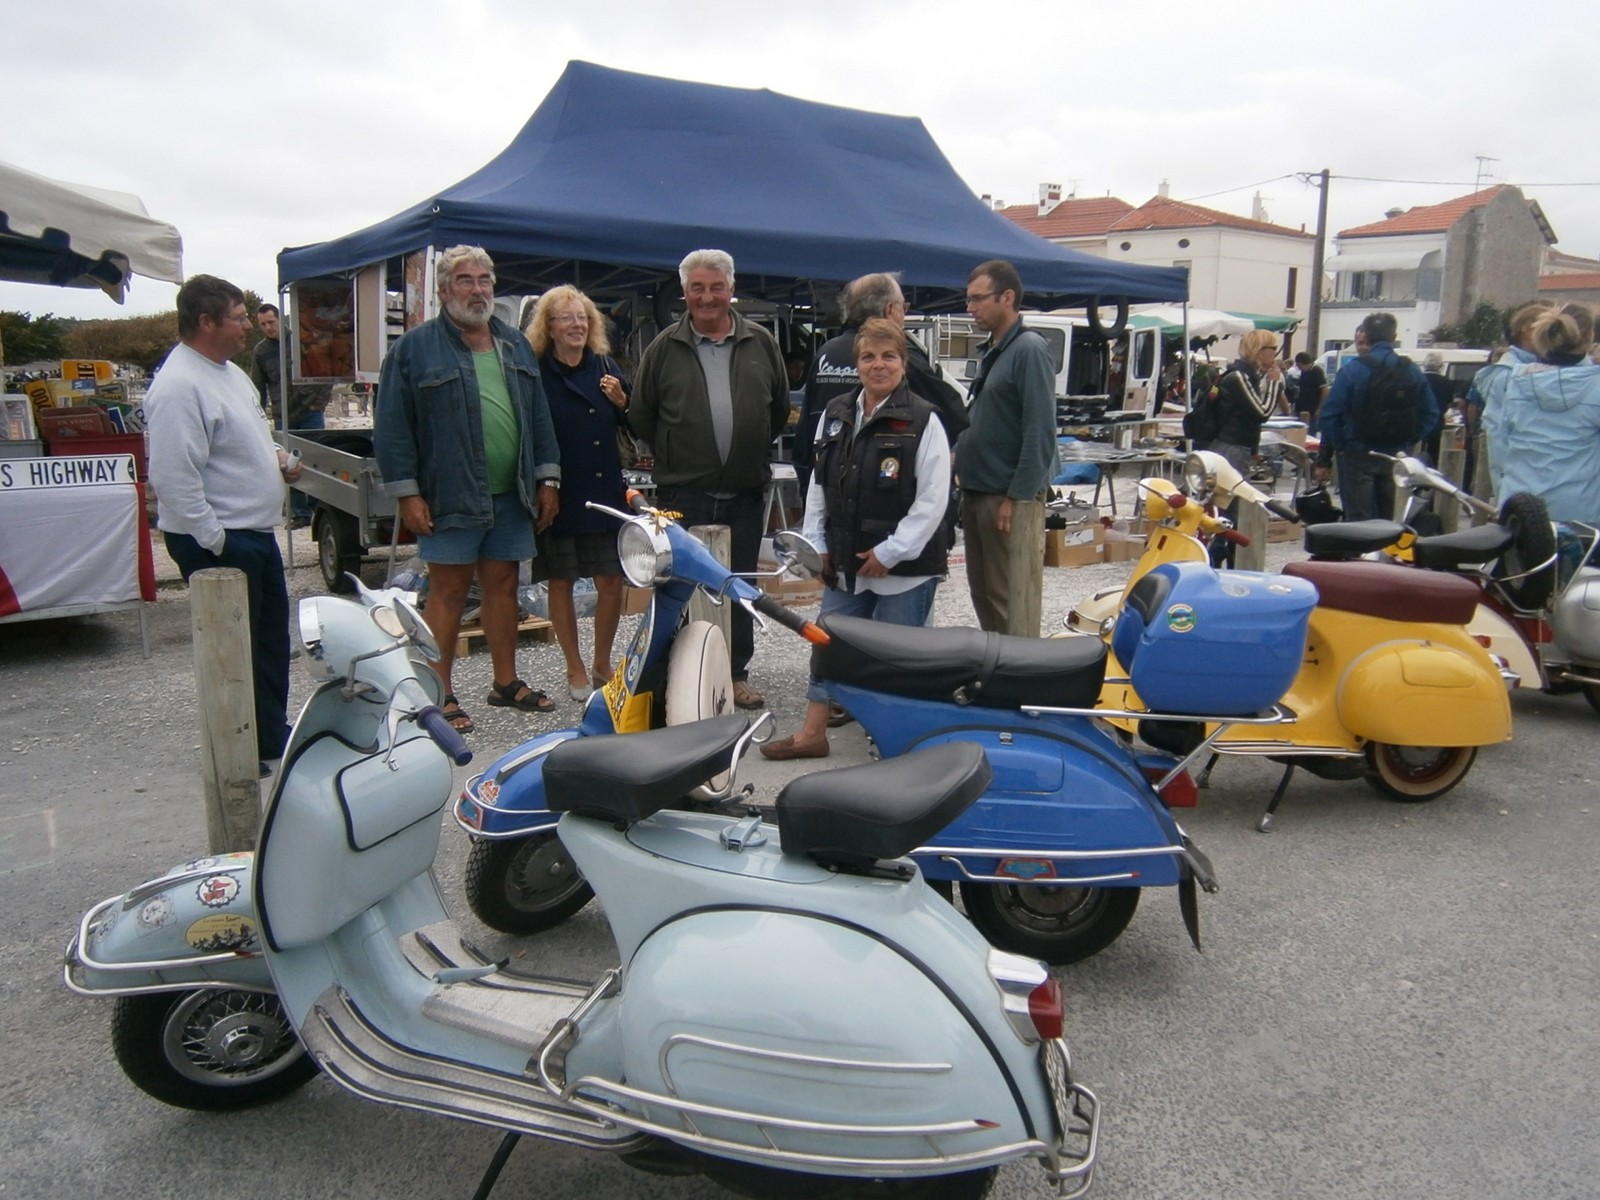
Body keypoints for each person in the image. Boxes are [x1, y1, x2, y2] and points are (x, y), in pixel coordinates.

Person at [375, 246, 563, 733]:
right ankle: (440, 696)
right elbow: (393, 428)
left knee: (503, 587)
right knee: (449, 592)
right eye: (465, 280)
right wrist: (407, 494)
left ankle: (506, 683)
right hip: (448, 494)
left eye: (484, 279)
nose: (477, 289)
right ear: (443, 290)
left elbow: (539, 417)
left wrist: (548, 478)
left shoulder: (515, 345)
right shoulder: (413, 349)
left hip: (511, 493)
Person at [761, 319, 952, 761]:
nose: (877, 365)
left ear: (903, 364)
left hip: (904, 570)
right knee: (827, 646)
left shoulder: (924, 420)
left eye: (888, 356)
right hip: (844, 563)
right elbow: (818, 487)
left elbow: (933, 500)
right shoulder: (836, 413)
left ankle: (898, 747)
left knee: (900, 661)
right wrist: (817, 545)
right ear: (857, 363)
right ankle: (813, 733)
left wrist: (890, 552)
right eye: (868, 357)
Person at [146, 275, 302, 772]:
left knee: (270, 641)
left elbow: (248, 434)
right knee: (233, 653)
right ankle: (236, 749)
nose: (246, 326)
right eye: (237, 317)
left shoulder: (230, 374)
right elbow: (173, 476)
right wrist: (213, 539)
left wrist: (276, 456)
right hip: (219, 539)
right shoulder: (178, 386)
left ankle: (268, 736)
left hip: (252, 532)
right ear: (205, 322)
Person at [629, 249, 790, 710]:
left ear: (731, 290)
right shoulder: (664, 349)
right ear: (684, 293)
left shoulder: (761, 344)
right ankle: (676, 679)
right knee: (679, 588)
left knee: (737, 585)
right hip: (684, 493)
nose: (707, 297)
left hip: (744, 492)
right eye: (697, 287)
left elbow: (776, 410)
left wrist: (745, 445)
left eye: (716, 286)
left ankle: (735, 675)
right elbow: (641, 415)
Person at [523, 286, 631, 701]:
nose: (577, 325)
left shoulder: (604, 365)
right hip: (559, 491)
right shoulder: (536, 372)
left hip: (603, 488)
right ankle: (574, 667)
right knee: (561, 581)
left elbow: (633, 422)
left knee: (610, 580)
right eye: (566, 318)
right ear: (548, 327)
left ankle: (603, 662)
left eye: (583, 318)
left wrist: (622, 401)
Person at [796, 272, 968, 493]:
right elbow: (953, 417)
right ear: (889, 310)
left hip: (828, 492)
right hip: (888, 495)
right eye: (903, 308)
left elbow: (804, 438)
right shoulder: (901, 359)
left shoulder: (825, 353)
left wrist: (807, 491)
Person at [956, 259, 1057, 636]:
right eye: (968, 299)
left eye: (977, 299)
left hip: (1004, 497)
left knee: (1008, 598)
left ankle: (1017, 680)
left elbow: (1040, 431)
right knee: (984, 595)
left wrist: (1017, 497)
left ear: (1008, 297)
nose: (970, 308)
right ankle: (998, 675)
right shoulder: (994, 350)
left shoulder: (1028, 349)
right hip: (979, 492)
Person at [1313, 312, 1439, 523]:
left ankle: (1360, 554)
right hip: (1396, 454)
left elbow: (1329, 415)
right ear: (1394, 336)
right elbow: (1431, 412)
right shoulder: (1411, 370)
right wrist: (1409, 439)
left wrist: (1342, 446)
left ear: (1367, 335)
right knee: (1391, 519)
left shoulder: (1353, 370)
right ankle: (1385, 554)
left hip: (1357, 453)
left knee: (1359, 521)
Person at [1483, 302, 1600, 529]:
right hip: (1582, 508)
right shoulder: (1594, 385)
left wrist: (1503, 499)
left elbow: (1498, 447)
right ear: (1589, 337)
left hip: (1521, 505)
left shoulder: (1514, 382)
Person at [1205, 330, 1288, 567]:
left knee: (1230, 507)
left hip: (1235, 446)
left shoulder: (1247, 374)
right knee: (1228, 508)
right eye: (1273, 349)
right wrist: (1274, 385)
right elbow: (1261, 412)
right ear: (1260, 350)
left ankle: (1224, 556)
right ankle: (1216, 557)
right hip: (1230, 448)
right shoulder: (1239, 376)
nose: (1275, 354)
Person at [251, 302, 329, 528]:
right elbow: (258, 387)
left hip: (309, 411)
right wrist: (257, 417)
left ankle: (318, 506)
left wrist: (319, 403)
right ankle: (299, 512)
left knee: (316, 461)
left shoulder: (301, 341)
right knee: (288, 464)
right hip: (283, 414)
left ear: (280, 320)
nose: (268, 328)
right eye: (263, 324)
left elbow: (325, 372)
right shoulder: (260, 352)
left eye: (271, 322)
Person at [1420, 351, 1456, 465]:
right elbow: (1449, 404)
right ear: (1440, 366)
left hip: (1419, 423)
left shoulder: (1419, 379)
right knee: (1435, 455)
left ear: (1424, 365)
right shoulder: (1447, 382)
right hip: (1438, 423)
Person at [1292, 351, 1328, 432]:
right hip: (1302, 408)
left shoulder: (1317, 371)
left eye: (1299, 365)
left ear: (1303, 363)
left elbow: (1324, 390)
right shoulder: (1304, 372)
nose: (1298, 368)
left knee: (1310, 431)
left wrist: (1319, 408)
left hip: (1312, 409)